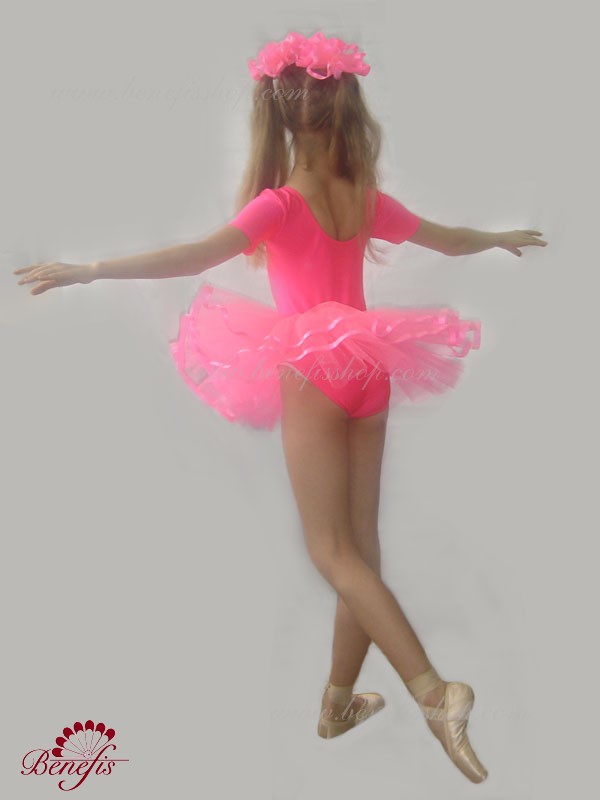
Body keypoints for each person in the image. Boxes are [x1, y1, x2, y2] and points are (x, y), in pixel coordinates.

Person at [14, 30, 547, 784]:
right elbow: (450, 240)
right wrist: (497, 238)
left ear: (278, 119)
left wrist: (91, 268)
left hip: (314, 369)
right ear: (347, 111)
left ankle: (435, 692)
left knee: (333, 554)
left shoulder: (282, 203)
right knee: (361, 551)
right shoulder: (366, 198)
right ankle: (337, 705)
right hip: (370, 366)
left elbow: (195, 256)